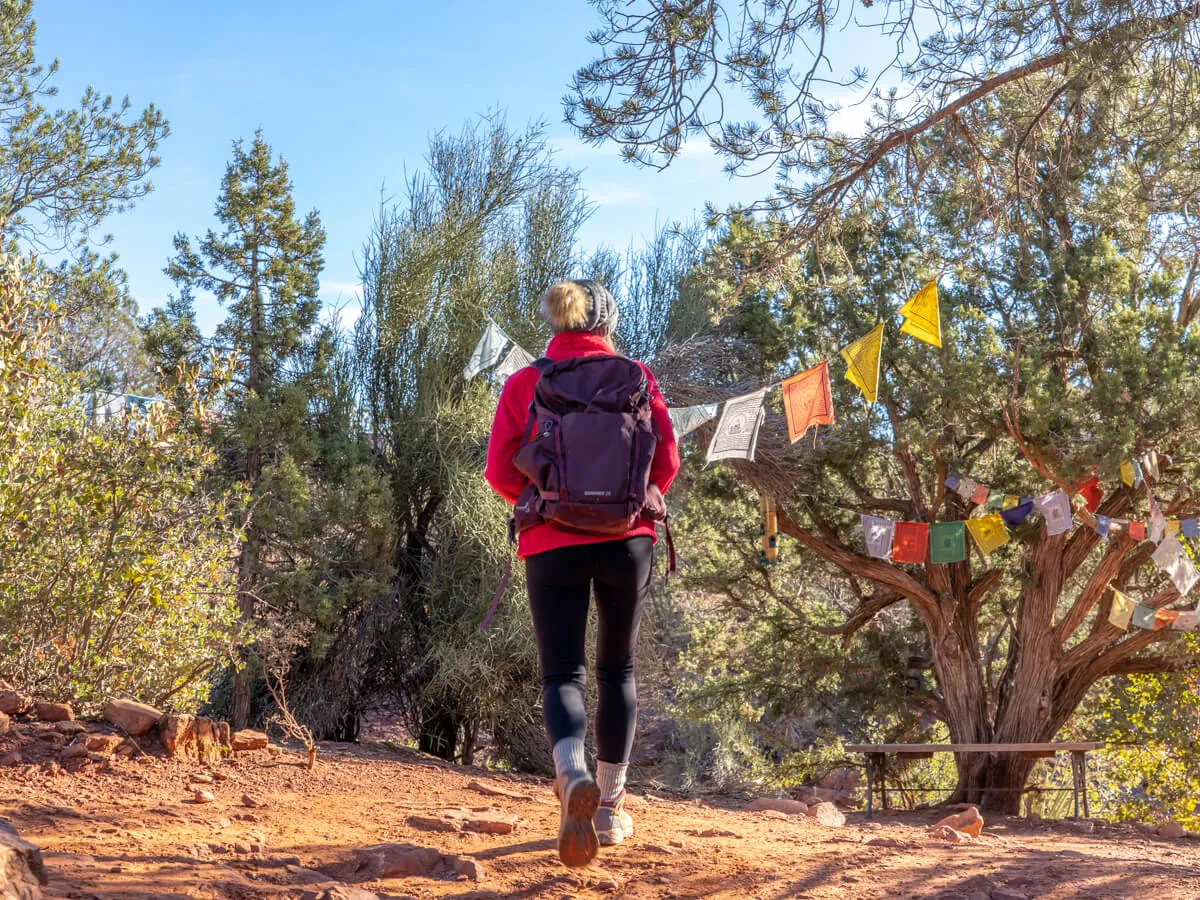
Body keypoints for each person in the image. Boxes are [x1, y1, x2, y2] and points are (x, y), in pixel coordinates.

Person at [485, 279, 680, 867]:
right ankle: (610, 808)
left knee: (562, 673)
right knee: (617, 668)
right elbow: (665, 461)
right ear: (606, 322)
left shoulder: (527, 382)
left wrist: (544, 502)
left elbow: (499, 470)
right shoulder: (638, 376)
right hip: (629, 544)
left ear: (557, 321)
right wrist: (625, 507)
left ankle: (571, 775)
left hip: (550, 543)